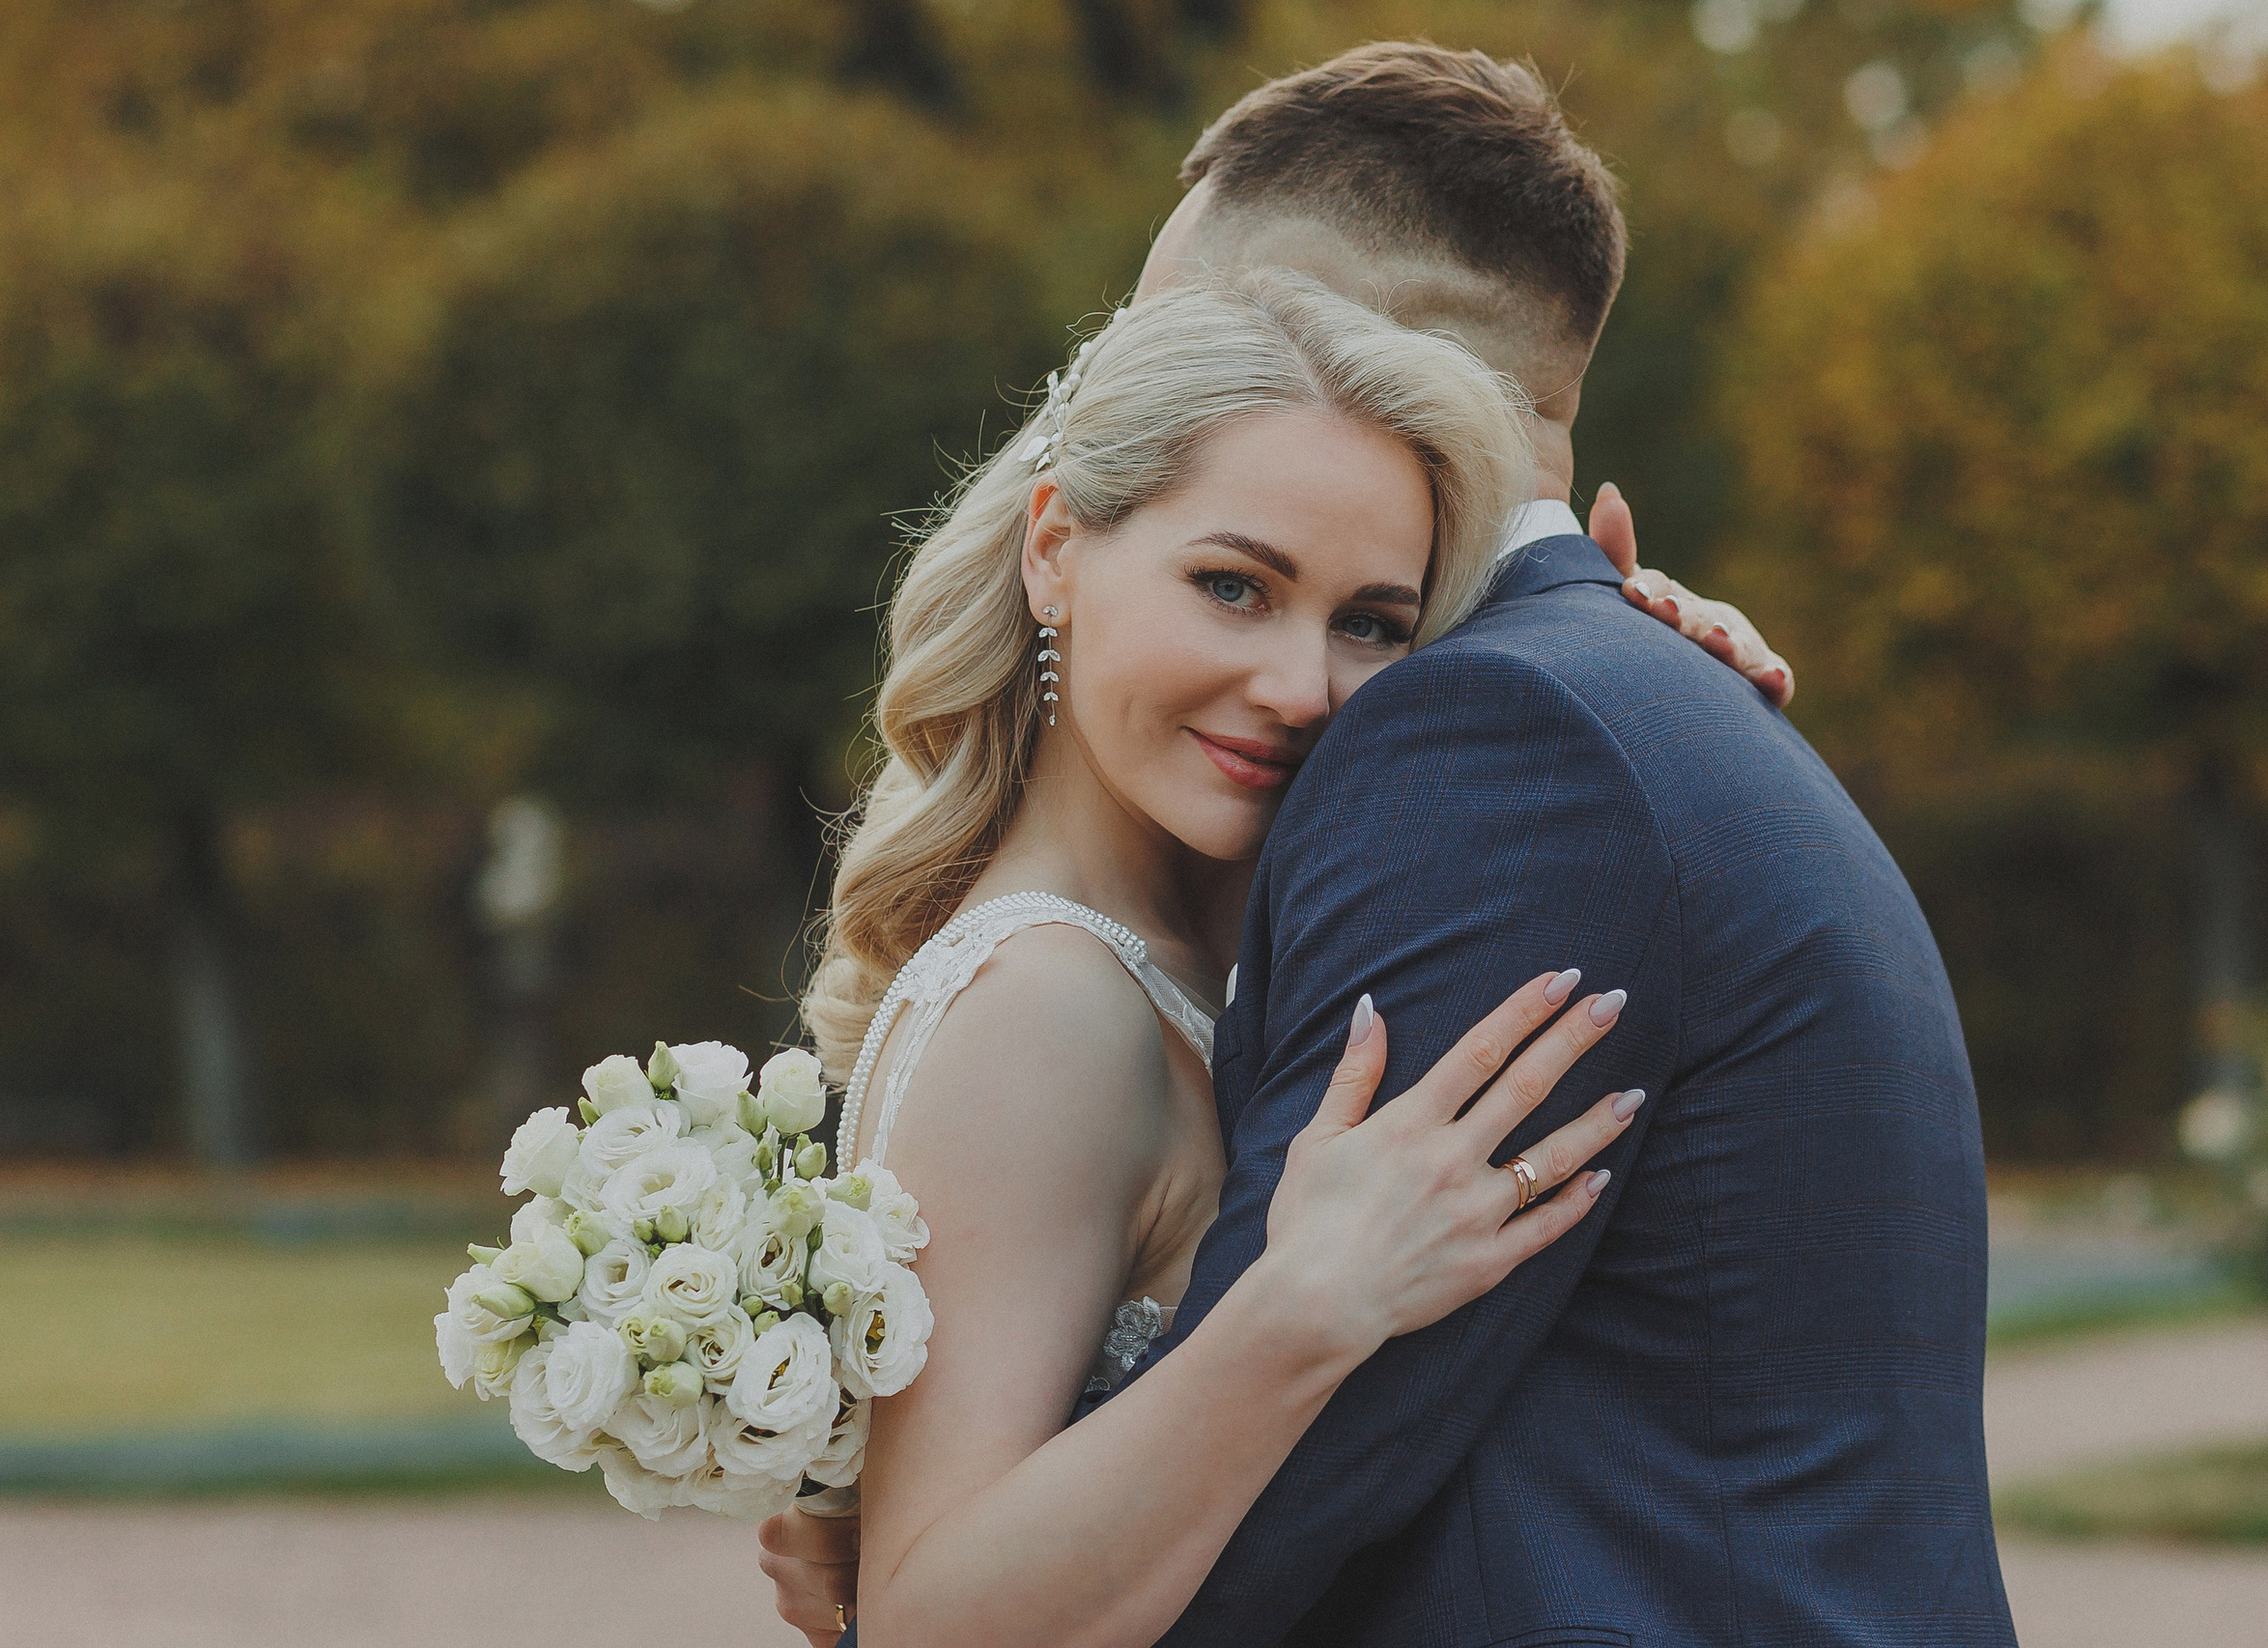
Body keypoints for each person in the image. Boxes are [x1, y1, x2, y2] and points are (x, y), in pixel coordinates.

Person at [766, 42, 2014, 1648]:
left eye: (1366, 618)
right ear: (1058, 548)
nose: (1302, 679)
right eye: (1235, 581)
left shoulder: (1507, 739)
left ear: (1337, 347)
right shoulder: (1591, 721)